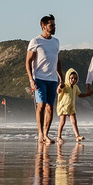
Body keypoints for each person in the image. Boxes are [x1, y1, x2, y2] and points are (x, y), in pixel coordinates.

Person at [25, 14, 62, 144]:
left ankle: (46, 134)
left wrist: (61, 79)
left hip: (52, 79)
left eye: (54, 25)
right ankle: (40, 134)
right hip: (39, 78)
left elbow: (57, 61)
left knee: (50, 107)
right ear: (43, 26)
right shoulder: (35, 41)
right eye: (51, 25)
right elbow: (28, 62)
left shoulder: (56, 41)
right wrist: (31, 79)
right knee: (41, 105)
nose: (54, 27)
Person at [55, 68, 90, 142]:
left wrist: (87, 94)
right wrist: (59, 87)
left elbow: (79, 95)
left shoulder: (75, 87)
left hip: (71, 107)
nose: (73, 80)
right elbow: (58, 91)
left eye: (75, 78)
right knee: (62, 122)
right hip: (63, 106)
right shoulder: (65, 86)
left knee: (74, 121)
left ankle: (77, 136)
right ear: (68, 77)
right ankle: (59, 136)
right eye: (72, 78)